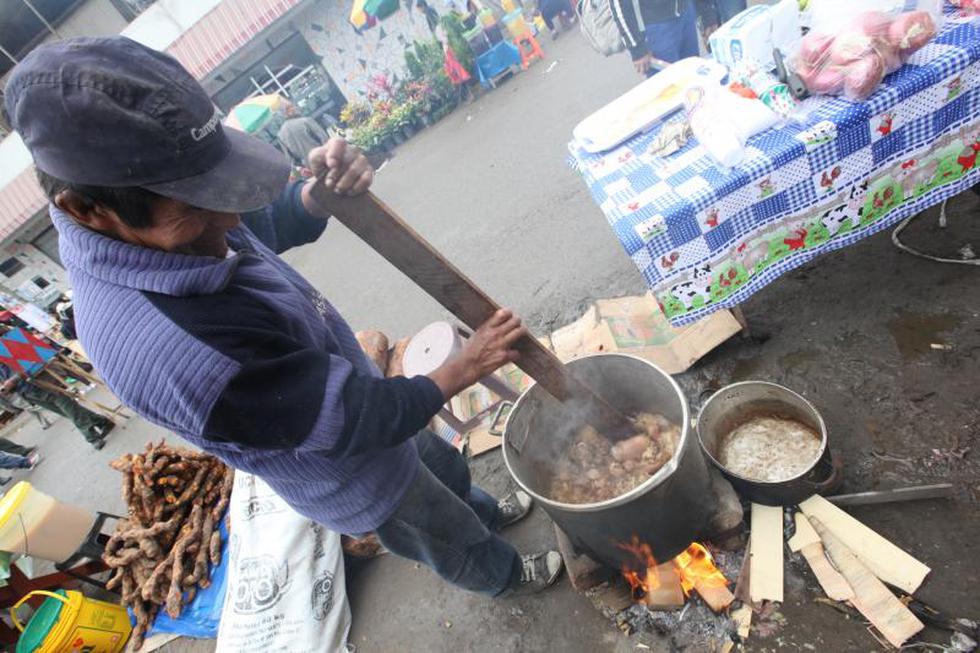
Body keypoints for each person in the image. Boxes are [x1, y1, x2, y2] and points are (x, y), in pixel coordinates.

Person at [4, 36, 563, 598]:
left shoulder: (170, 220)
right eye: (198, 211)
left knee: (447, 474)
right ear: (85, 210)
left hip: (379, 408)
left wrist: (316, 197)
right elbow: (354, 420)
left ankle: (488, 512)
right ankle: (507, 575)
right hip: (354, 468)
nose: (227, 221)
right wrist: (465, 366)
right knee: (447, 535)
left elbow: (256, 226)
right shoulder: (175, 349)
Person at [0, 362, 114, 449]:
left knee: (71, 411)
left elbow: (29, 363)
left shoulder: (6, 347)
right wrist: (4, 389)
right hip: (29, 393)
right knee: (68, 412)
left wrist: (12, 381)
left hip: (45, 383)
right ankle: (102, 421)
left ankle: (92, 437)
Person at [609, 0, 716, 75]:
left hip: (686, 13)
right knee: (670, 92)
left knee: (696, 80)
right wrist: (636, 46)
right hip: (655, 28)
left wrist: (706, 11)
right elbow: (617, 3)